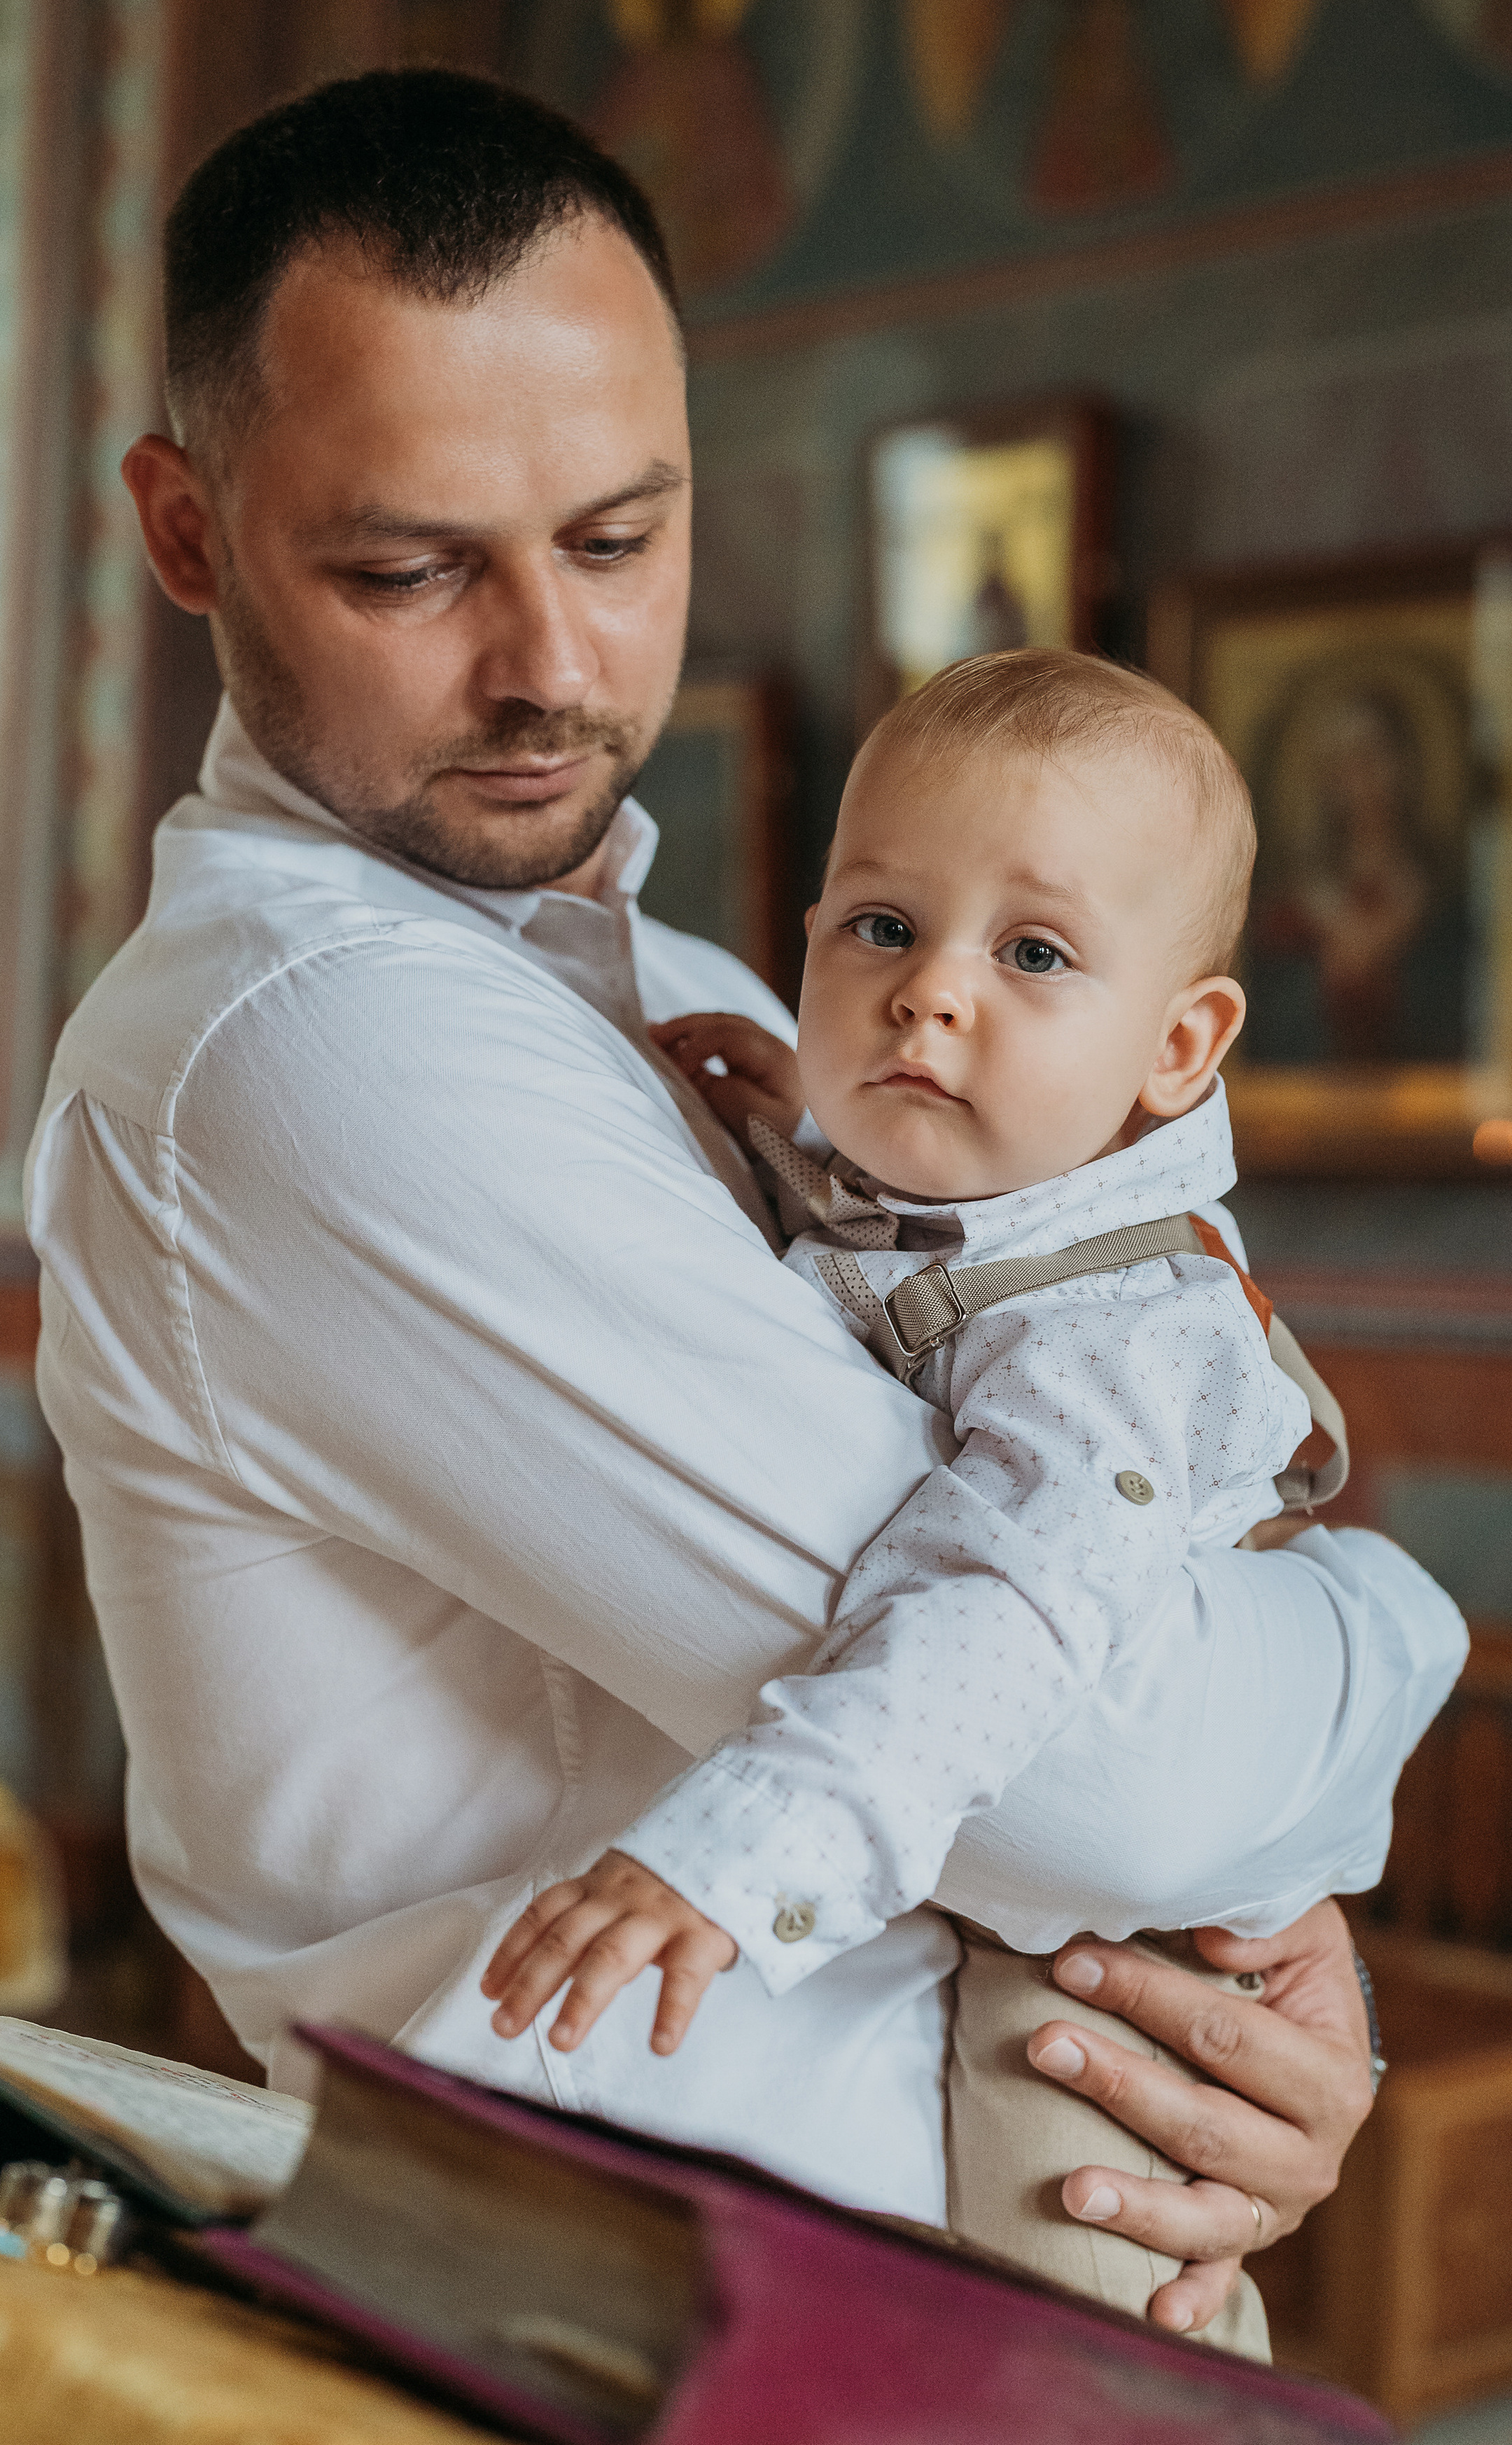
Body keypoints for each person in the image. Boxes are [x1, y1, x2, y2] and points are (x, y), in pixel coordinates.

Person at [26, 69, 1421, 2338]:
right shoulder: (317, 1051)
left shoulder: (700, 1008)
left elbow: (1109, 1752)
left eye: (618, 539)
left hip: (964, 2274)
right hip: (662, 2334)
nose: (554, 671)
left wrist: (1278, 2007)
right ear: (188, 536)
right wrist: (1384, 1647)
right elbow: (1109, 1781)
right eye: (407, 568)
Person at [479, 647, 1464, 2348]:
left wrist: (732, 1862)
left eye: (1031, 954)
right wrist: (809, 1137)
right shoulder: (969, 1206)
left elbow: (993, 1622)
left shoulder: (1116, 1335)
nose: (928, 996)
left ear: (1177, 1044)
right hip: (1042, 1898)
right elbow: (925, 1264)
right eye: (877, 928)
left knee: (1072, 2325)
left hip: (1112, 1968)